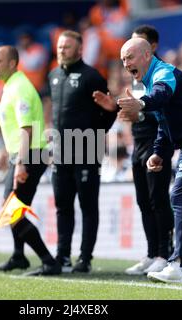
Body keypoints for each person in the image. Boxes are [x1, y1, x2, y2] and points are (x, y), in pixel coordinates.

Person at [94, 38, 182, 284]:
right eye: (123, 59)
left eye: (130, 57)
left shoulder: (163, 72)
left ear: (147, 55)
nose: (126, 64)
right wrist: (158, 153)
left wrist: (142, 104)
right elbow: (164, 126)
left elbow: (161, 94)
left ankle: (177, 263)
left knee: (179, 197)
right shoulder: (150, 82)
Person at [48, 30, 117, 273]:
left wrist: (97, 134)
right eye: (59, 47)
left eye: (67, 47)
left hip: (87, 151)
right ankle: (62, 256)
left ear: (79, 50)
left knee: (88, 206)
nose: (61, 50)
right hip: (60, 153)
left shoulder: (92, 77)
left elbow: (108, 113)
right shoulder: (53, 76)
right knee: (62, 206)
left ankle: (85, 258)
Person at [0, 45, 61, 276]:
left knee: (12, 210)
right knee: (16, 208)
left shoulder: (20, 87)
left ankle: (48, 261)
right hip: (25, 155)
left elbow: (27, 129)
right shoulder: (12, 85)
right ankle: (19, 255)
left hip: (29, 155)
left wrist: (20, 162)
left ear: (12, 63)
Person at [118, 25, 174, 276]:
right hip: (138, 144)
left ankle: (165, 253)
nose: (129, 56)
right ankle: (152, 253)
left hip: (157, 142)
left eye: (135, 47)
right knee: (143, 201)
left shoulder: (162, 73)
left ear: (151, 47)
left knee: (158, 200)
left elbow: (163, 110)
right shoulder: (136, 74)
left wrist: (138, 111)